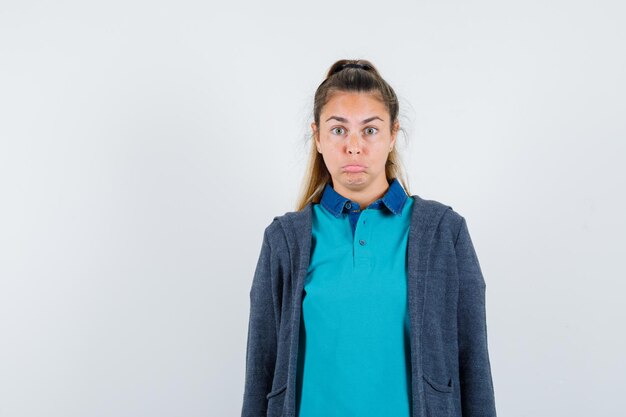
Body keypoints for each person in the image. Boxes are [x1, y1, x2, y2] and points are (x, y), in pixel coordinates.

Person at [241, 59, 497, 417]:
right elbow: (260, 375)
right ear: (317, 136)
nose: (354, 146)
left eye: (370, 130)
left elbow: (474, 367)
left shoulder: (443, 232)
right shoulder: (284, 241)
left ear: (393, 134)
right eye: (338, 130)